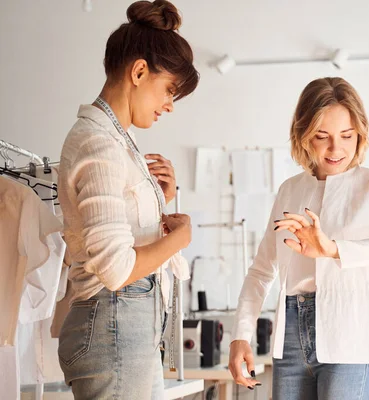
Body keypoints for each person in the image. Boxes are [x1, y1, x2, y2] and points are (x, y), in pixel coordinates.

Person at [229, 77, 369, 400]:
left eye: (347, 136)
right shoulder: (289, 190)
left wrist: (334, 250)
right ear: (303, 136)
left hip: (351, 335)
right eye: (322, 137)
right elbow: (261, 271)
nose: (336, 149)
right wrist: (240, 335)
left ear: (360, 134)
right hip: (290, 340)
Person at [56, 1, 199, 398]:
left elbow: (120, 238)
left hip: (125, 326)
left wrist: (160, 205)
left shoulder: (118, 139)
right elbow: (117, 269)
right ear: (139, 72)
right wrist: (180, 237)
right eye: (169, 90)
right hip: (114, 324)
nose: (170, 104)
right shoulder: (98, 143)